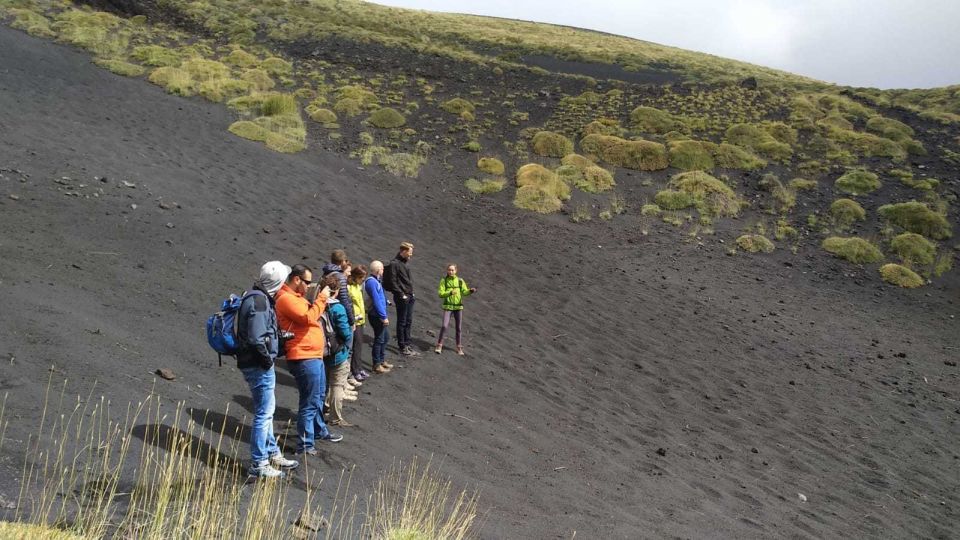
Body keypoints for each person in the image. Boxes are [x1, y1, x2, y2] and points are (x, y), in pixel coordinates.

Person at [237, 261, 300, 478]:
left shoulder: (257, 297)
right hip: (258, 365)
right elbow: (256, 338)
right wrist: (267, 360)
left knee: (267, 411)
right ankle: (259, 463)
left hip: (255, 362)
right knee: (264, 414)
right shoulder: (260, 302)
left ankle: (272, 453)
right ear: (278, 281)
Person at [275, 264, 343, 456]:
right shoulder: (286, 299)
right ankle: (305, 445)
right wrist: (322, 297)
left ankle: (319, 431)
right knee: (310, 401)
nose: (308, 285)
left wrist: (322, 297)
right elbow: (308, 318)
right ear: (296, 280)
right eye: (306, 282)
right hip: (303, 357)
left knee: (319, 396)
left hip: (313, 355)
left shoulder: (296, 298)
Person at [321, 274, 355, 426]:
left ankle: (323, 409)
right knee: (337, 385)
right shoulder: (337, 307)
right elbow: (346, 333)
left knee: (325, 383)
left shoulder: (317, 304)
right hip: (337, 352)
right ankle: (335, 418)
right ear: (336, 291)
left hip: (322, 352)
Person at [384, 242, 419, 356]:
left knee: (408, 321)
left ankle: (407, 343)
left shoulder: (405, 263)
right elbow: (393, 281)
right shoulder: (394, 264)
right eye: (409, 252)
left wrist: (411, 294)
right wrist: (401, 294)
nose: (411, 255)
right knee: (402, 321)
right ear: (403, 251)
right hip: (402, 297)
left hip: (409, 295)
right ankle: (402, 345)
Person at [435, 263, 476, 356]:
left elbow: (464, 292)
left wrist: (470, 291)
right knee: (444, 326)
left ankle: (459, 347)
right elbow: (440, 294)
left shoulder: (460, 281)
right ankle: (439, 345)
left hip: (458, 307)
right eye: (449, 270)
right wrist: (450, 292)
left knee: (459, 328)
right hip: (448, 306)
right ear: (447, 270)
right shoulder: (444, 281)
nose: (450, 271)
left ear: (456, 271)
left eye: (452, 270)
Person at [364, 260, 393, 374]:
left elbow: (380, 296)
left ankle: (381, 360)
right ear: (377, 270)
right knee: (380, 339)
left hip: (378, 314)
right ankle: (376, 364)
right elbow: (376, 300)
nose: (383, 270)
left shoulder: (376, 281)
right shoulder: (372, 282)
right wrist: (383, 316)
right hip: (376, 315)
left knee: (385, 338)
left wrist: (386, 301)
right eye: (382, 269)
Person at [346, 265, 369, 387]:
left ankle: (358, 368)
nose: (363, 280)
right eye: (362, 278)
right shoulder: (349, 288)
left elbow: (361, 303)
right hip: (354, 321)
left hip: (360, 321)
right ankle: (353, 371)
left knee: (359, 346)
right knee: (353, 347)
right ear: (356, 277)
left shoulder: (358, 286)